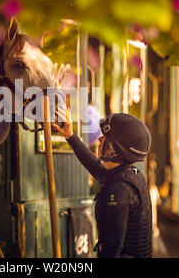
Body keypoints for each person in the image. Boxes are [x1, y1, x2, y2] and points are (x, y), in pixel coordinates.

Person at [53, 108, 153, 258]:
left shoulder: (120, 191)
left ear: (114, 149)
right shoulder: (129, 175)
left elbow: (112, 250)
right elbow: (96, 168)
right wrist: (70, 136)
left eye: (105, 137)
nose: (99, 139)